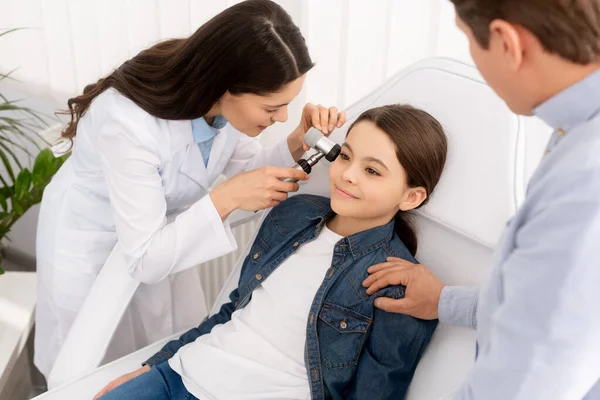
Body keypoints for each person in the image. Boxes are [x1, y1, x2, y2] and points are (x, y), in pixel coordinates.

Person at [35, 0, 346, 380]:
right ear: (225, 87)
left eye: (287, 107)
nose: (281, 118)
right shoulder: (128, 123)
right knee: (89, 371)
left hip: (163, 235)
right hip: (92, 240)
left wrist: (297, 142)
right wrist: (227, 197)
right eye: (272, 108)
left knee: (164, 351)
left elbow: (245, 166)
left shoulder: (217, 106)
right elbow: (146, 258)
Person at [93, 104, 448, 400]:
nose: (347, 175)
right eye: (346, 156)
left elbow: (375, 393)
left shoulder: (398, 284)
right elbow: (235, 310)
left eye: (372, 170)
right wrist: (155, 366)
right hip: (181, 374)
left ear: (411, 196)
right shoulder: (293, 214)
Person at [363, 0, 600, 398]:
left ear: (507, 42)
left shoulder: (583, 183)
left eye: (467, 38)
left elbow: (530, 379)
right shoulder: (575, 138)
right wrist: (446, 302)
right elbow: (548, 302)